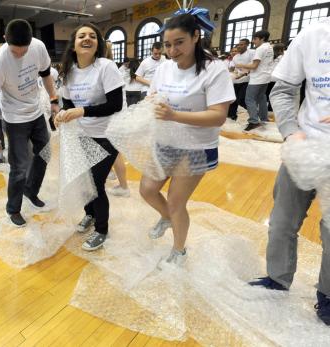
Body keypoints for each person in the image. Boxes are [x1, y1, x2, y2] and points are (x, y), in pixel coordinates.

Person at [248, 20, 330, 326]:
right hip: (305, 146)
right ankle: (277, 277)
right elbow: (282, 91)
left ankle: (327, 295)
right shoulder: (313, 36)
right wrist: (290, 131)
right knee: (282, 221)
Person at [138, 11, 235, 265]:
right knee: (147, 190)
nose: (172, 51)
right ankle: (167, 217)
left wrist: (174, 115)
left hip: (195, 146)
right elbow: (154, 96)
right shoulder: (164, 68)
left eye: (179, 43)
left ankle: (179, 250)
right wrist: (152, 104)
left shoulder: (214, 70)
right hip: (164, 141)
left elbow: (218, 116)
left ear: (195, 36)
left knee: (176, 201)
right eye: (168, 45)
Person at [0, 19, 59, 227]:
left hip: (35, 111)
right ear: (5, 40)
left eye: (24, 50)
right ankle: (13, 208)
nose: (20, 54)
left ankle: (31, 190)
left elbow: (45, 75)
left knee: (44, 153)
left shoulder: (38, 47)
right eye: (15, 51)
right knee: (18, 167)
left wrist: (54, 100)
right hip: (14, 118)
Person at [55, 23, 123, 250]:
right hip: (82, 135)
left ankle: (102, 230)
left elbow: (115, 104)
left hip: (106, 135)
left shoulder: (106, 67)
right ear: (73, 45)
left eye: (93, 36)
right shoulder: (68, 71)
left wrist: (82, 111)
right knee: (84, 181)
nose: (87, 39)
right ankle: (90, 214)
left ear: (98, 44)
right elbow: (69, 104)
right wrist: (64, 115)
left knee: (96, 183)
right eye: (82, 36)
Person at [235, 31, 274, 131]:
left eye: (255, 39)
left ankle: (254, 121)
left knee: (249, 99)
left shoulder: (260, 49)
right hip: (265, 77)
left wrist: (241, 65)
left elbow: (254, 66)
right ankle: (264, 118)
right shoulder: (269, 47)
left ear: (262, 38)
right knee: (261, 97)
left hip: (258, 78)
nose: (253, 41)